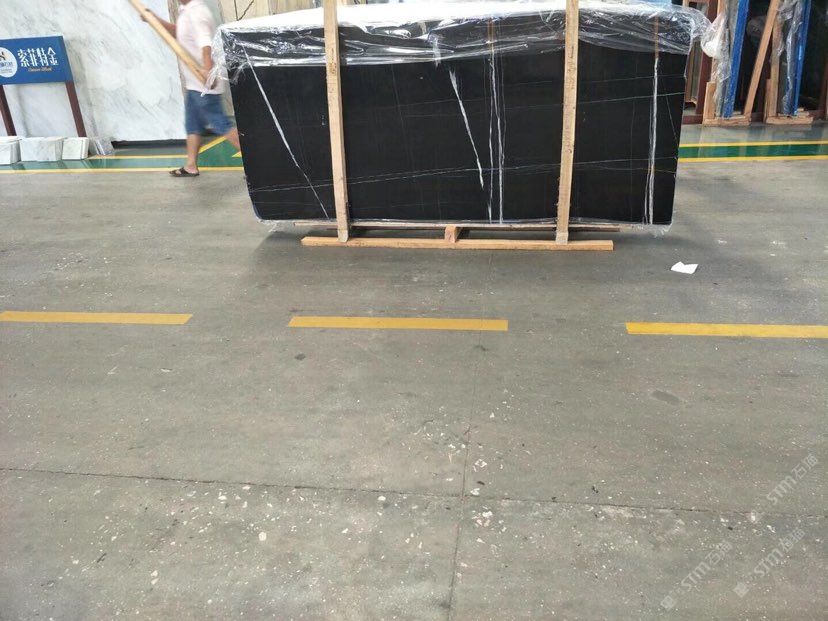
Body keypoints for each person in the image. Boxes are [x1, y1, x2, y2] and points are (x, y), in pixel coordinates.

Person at [142, 0, 240, 177]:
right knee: (193, 124)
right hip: (194, 83)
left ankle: (257, 162)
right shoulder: (186, 10)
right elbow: (178, 33)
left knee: (220, 123)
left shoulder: (197, 12)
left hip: (204, 83)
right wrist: (153, 18)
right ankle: (191, 166)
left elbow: (206, 44)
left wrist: (207, 72)